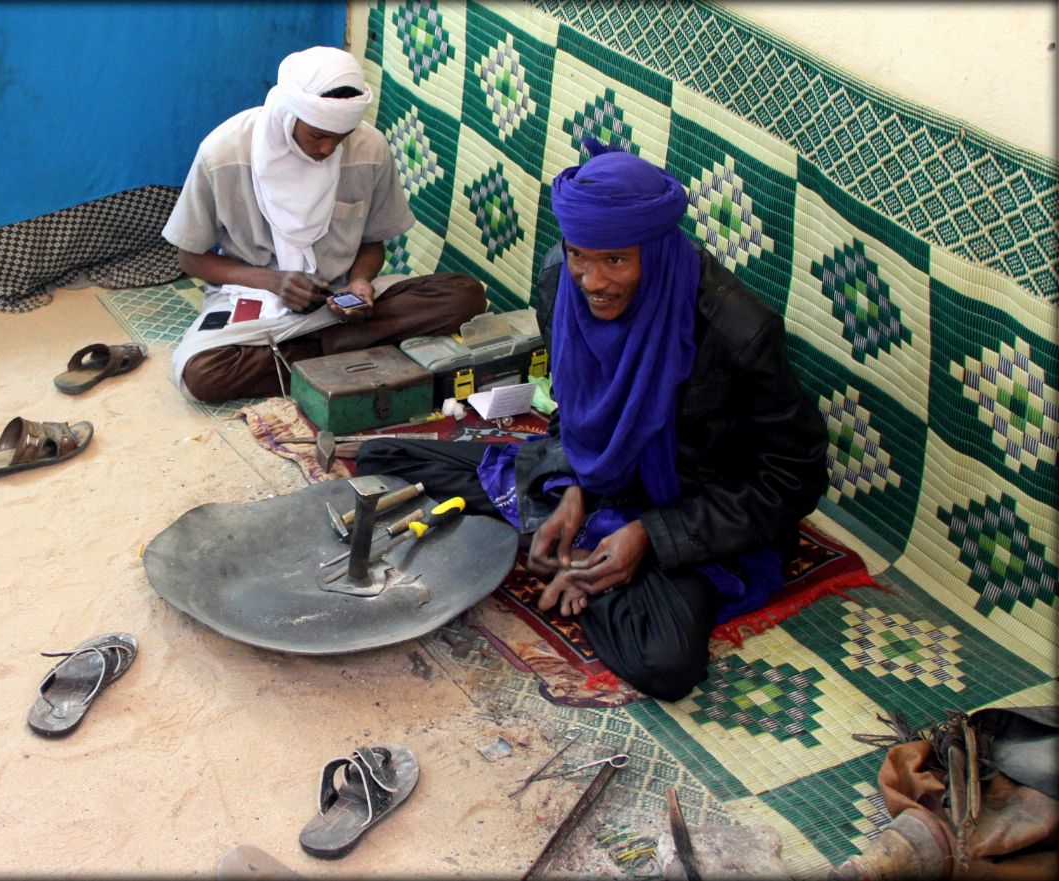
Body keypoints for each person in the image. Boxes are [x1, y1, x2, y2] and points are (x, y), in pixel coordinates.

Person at [356, 145, 829, 701]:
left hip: (692, 502)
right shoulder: (562, 283)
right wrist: (576, 487)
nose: (593, 280)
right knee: (384, 458)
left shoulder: (737, 330)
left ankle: (591, 566)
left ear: (653, 253)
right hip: (599, 473)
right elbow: (575, 407)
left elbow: (793, 478)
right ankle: (584, 548)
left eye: (616, 261)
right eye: (581, 254)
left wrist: (651, 534)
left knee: (665, 664)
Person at [163, 46, 486, 402]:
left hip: (339, 304)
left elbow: (372, 242)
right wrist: (275, 281)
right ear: (290, 115)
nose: (329, 149)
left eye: (341, 136)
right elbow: (190, 257)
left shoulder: (370, 148)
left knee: (465, 295)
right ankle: (359, 351)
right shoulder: (223, 154)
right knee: (203, 375)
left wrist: (360, 281)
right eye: (318, 135)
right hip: (258, 299)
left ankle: (309, 355)